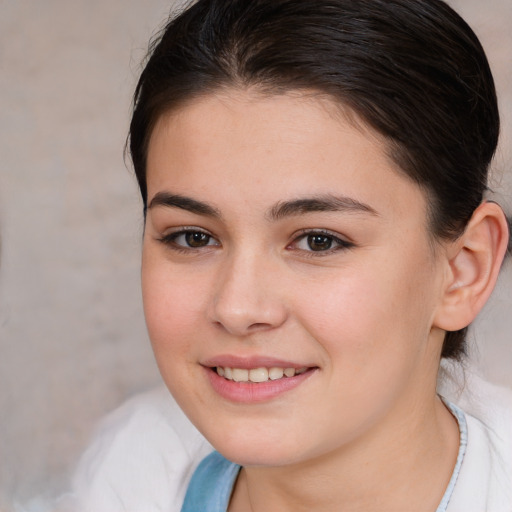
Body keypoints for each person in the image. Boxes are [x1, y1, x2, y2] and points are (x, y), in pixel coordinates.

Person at [68, 0, 512, 510]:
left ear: (463, 271)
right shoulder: (129, 472)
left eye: (318, 240)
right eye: (193, 237)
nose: (237, 308)